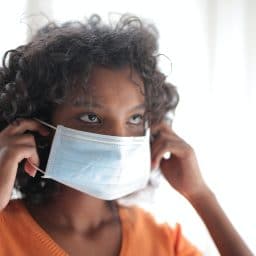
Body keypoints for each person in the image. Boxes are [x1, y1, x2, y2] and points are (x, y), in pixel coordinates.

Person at [0, 14, 253, 256]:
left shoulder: (163, 242)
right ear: (36, 122)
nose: (119, 140)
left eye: (134, 118)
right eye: (92, 118)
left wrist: (200, 195)